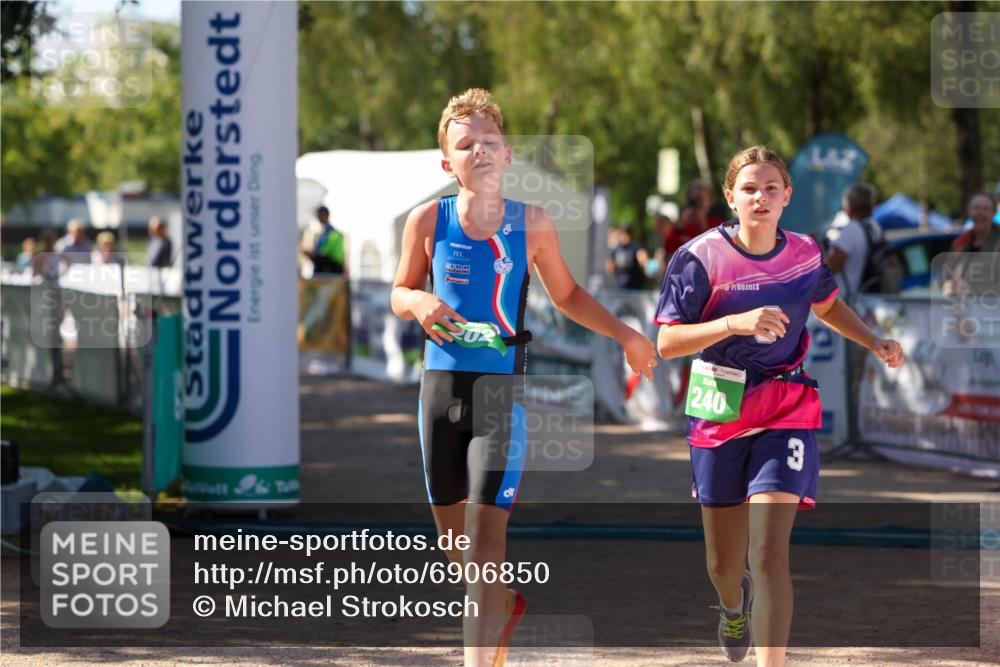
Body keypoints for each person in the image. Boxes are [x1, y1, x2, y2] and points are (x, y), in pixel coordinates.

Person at [391, 88, 657, 667]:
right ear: (447, 162)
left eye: (490, 141)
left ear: (508, 154)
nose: (480, 151)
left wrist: (627, 335)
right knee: (455, 546)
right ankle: (504, 603)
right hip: (439, 392)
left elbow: (569, 295)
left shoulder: (532, 223)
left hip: (499, 393)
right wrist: (417, 302)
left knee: (486, 543)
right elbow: (399, 290)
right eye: (466, 144)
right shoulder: (427, 221)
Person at [655, 146, 903, 667]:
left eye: (771, 188)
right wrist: (733, 323)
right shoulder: (700, 257)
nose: (760, 197)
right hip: (719, 406)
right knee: (724, 566)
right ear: (731, 197)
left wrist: (872, 340)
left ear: (787, 195)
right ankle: (732, 606)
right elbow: (668, 342)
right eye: (749, 189)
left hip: (785, 404)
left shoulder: (805, 253)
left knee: (768, 554)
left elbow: (827, 305)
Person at [824, 183, 883, 299]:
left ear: (849, 205)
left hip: (845, 299)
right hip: (865, 295)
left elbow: (831, 268)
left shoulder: (852, 230)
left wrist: (815, 248)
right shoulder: (875, 227)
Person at [943, 192, 1000, 296]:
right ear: (969, 211)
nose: (980, 213)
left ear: (993, 213)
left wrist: (972, 288)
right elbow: (945, 274)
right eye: (976, 208)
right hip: (961, 304)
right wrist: (947, 284)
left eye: (985, 209)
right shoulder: (960, 242)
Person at [312, 206, 346, 274]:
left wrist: (313, 255)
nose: (318, 218)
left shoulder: (332, 233)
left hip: (332, 268)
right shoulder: (323, 233)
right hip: (328, 267)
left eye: (320, 215)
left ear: (326, 215)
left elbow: (324, 253)